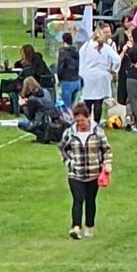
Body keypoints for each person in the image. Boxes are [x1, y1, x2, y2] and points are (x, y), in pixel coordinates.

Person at [59, 102, 112, 240]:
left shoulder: (98, 132)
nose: (80, 123)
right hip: (75, 173)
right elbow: (62, 148)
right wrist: (69, 162)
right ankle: (76, 227)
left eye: (82, 120)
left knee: (90, 200)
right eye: (77, 121)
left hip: (94, 173)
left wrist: (107, 164)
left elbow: (106, 150)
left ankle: (89, 226)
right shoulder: (70, 132)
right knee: (77, 199)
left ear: (88, 118)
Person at [78, 24, 120, 124]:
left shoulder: (85, 46)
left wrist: (81, 73)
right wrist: (114, 70)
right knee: (98, 101)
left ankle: (87, 123)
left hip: (87, 76)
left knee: (87, 102)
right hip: (101, 76)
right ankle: (96, 123)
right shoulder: (105, 47)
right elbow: (117, 59)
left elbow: (81, 60)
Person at [56, 32, 82, 111]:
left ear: (63, 40)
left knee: (66, 107)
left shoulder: (63, 52)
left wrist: (59, 79)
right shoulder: (76, 51)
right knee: (73, 106)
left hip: (67, 81)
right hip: (77, 80)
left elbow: (60, 67)